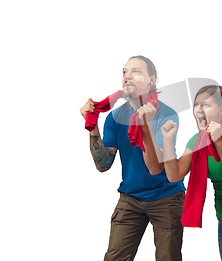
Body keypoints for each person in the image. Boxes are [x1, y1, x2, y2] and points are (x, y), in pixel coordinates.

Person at [79, 55, 185, 261]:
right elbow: (104, 164)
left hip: (166, 196)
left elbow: (156, 167)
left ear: (151, 80)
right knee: (114, 258)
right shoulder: (114, 117)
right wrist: (92, 127)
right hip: (131, 197)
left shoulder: (166, 114)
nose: (127, 76)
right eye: (125, 72)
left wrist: (144, 125)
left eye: (136, 71)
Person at [146, 85, 222, 261]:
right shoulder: (197, 141)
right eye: (196, 104)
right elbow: (174, 175)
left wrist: (218, 141)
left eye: (205, 104)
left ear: (221, 110)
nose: (199, 109)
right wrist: (167, 141)